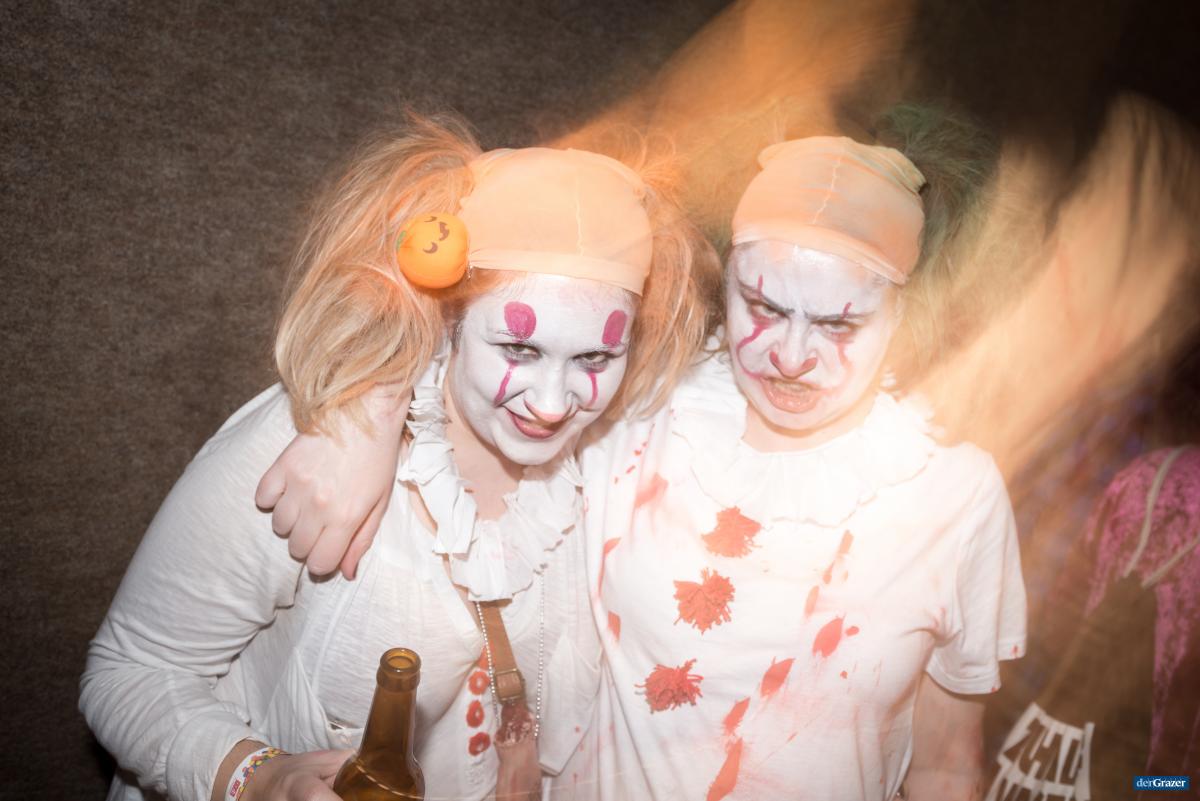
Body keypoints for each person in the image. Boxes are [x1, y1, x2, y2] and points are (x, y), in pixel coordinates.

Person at [256, 106, 1027, 801]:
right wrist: (363, 413)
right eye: (763, 304)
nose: (792, 355)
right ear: (728, 280)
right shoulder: (642, 404)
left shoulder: (955, 496)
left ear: (903, 312)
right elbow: (498, 315)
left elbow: (946, 766)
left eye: (838, 324)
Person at [80, 113, 718, 801]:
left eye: (594, 357)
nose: (554, 403)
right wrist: (257, 776)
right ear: (448, 314)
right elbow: (129, 670)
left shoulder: (607, 455)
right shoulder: (311, 444)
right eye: (518, 348)